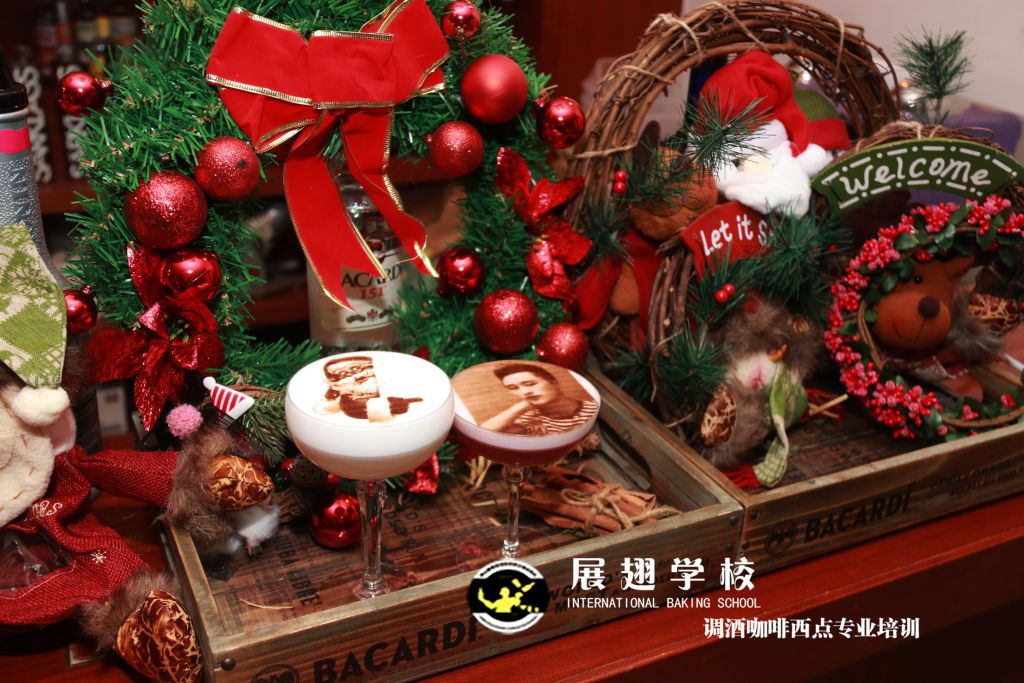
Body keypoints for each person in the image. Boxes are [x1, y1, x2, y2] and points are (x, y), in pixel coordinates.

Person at [480, 363, 598, 435]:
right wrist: (522, 406)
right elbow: (483, 433)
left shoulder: (592, 407)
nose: (525, 392)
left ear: (553, 383)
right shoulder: (527, 418)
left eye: (530, 384)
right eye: (513, 388)